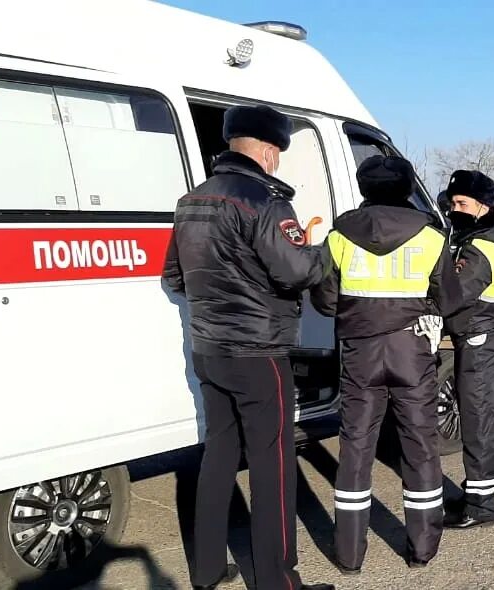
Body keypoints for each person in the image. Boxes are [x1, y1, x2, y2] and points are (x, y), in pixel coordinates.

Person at [162, 105, 333, 590]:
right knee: (272, 463)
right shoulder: (265, 200)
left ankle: (208, 570)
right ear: (265, 148)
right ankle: (278, 582)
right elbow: (295, 271)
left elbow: (173, 277)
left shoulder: (190, 201)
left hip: (208, 348)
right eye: (277, 152)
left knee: (218, 452)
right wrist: (319, 252)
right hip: (259, 352)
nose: (276, 161)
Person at [308, 155, 458, 572]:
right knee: (419, 445)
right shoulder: (430, 236)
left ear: (364, 188)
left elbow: (323, 300)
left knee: (355, 447)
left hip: (359, 354)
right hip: (411, 352)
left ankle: (349, 554)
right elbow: (449, 298)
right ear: (408, 186)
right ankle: (422, 548)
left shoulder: (339, 235)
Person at [441, 170, 494, 529]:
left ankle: (482, 507)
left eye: (461, 203)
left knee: (479, 425)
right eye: (452, 202)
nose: (453, 209)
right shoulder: (493, 240)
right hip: (485, 338)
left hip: (480, 341)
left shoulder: (480, 249)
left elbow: (453, 296)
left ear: (483, 206)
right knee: (479, 421)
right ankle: (476, 491)